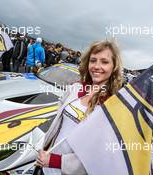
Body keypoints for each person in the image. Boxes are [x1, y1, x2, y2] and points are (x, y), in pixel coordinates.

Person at [35, 40, 123, 175]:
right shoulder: (75, 88)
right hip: (43, 165)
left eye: (104, 62)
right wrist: (44, 147)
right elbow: (58, 122)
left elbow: (97, 156)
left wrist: (55, 161)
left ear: (114, 67)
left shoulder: (111, 108)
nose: (97, 66)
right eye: (93, 60)